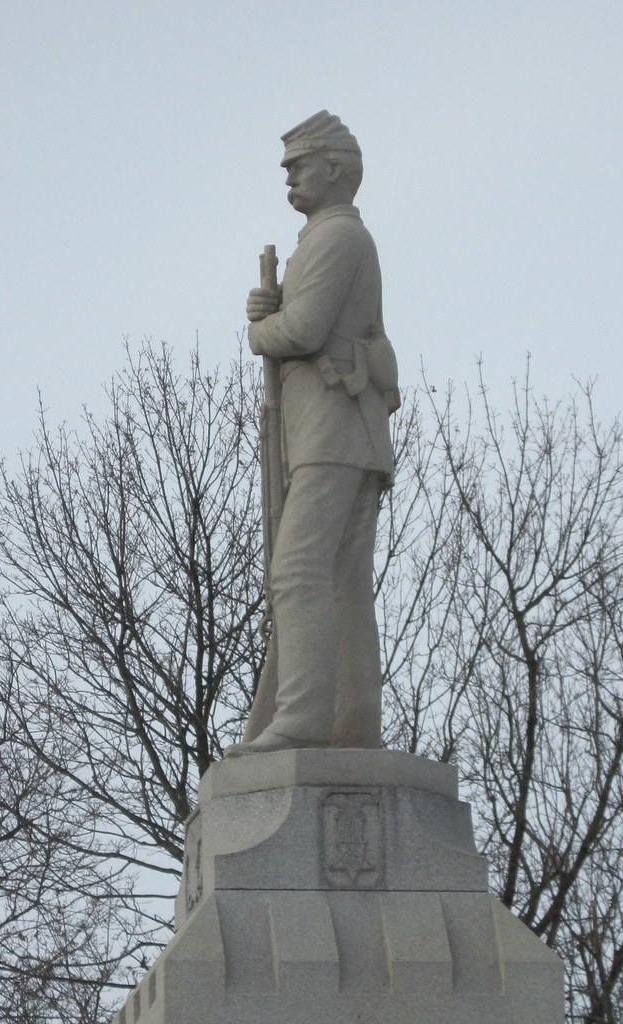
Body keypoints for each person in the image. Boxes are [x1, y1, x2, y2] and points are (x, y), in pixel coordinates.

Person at [226, 111, 398, 757]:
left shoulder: (336, 238)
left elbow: (302, 333)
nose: (290, 180)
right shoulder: (326, 241)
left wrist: (260, 329)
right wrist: (272, 310)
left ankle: (302, 719)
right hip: (332, 429)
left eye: (297, 166)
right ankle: (354, 724)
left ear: (333, 167)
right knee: (341, 581)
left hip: (335, 427)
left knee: (298, 571)